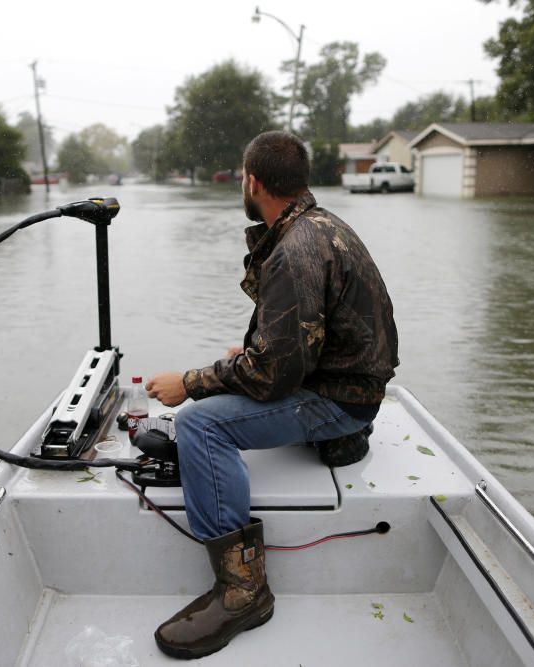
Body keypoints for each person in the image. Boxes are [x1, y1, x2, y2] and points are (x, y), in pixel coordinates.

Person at [145, 130, 399, 660]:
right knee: (237, 366)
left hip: (337, 396)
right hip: (354, 383)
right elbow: (305, 338)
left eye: (243, 176)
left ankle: (244, 593)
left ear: (253, 181)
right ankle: (350, 432)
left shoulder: (293, 251)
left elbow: (273, 378)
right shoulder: (326, 226)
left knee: (199, 424)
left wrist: (190, 382)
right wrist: (252, 353)